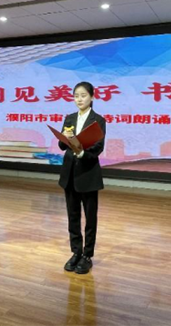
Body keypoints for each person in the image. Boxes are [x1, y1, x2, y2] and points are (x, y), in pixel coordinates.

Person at [58, 82, 106, 274]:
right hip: (69, 173)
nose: (79, 99)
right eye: (76, 95)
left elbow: (98, 147)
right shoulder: (69, 118)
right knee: (73, 216)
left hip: (88, 173)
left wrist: (82, 152)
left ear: (92, 97)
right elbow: (62, 146)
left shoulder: (98, 120)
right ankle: (76, 251)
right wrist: (64, 137)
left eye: (83, 95)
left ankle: (87, 255)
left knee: (90, 217)